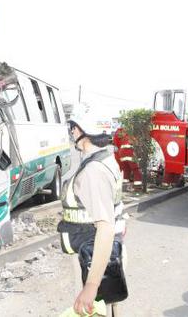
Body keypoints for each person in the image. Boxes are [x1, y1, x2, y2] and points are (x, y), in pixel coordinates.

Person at [58, 113, 127, 316]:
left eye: (73, 128)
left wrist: (91, 285)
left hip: (93, 260)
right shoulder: (104, 158)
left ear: (80, 131)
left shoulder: (93, 171)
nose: (71, 132)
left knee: (94, 311)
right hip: (101, 254)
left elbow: (105, 227)